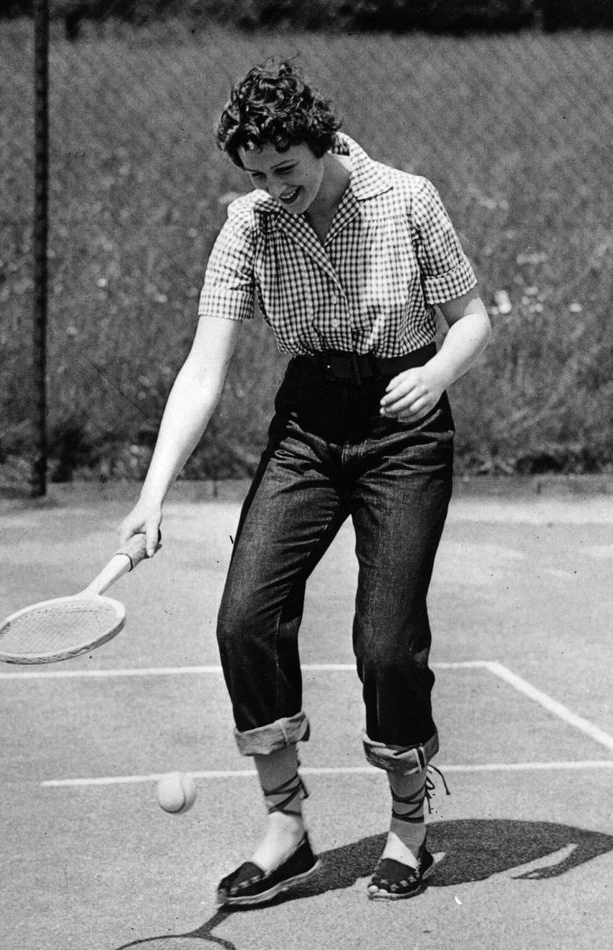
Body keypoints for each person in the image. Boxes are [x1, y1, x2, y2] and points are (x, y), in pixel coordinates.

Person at [119, 58, 492, 905]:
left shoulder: (406, 199)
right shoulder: (249, 225)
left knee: (386, 644)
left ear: (321, 144)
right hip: (308, 425)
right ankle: (285, 827)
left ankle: (408, 829)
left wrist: (435, 375)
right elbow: (202, 368)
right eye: (252, 175)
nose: (270, 187)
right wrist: (152, 493)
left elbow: (472, 322)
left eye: (284, 169)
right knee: (245, 618)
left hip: (404, 425)